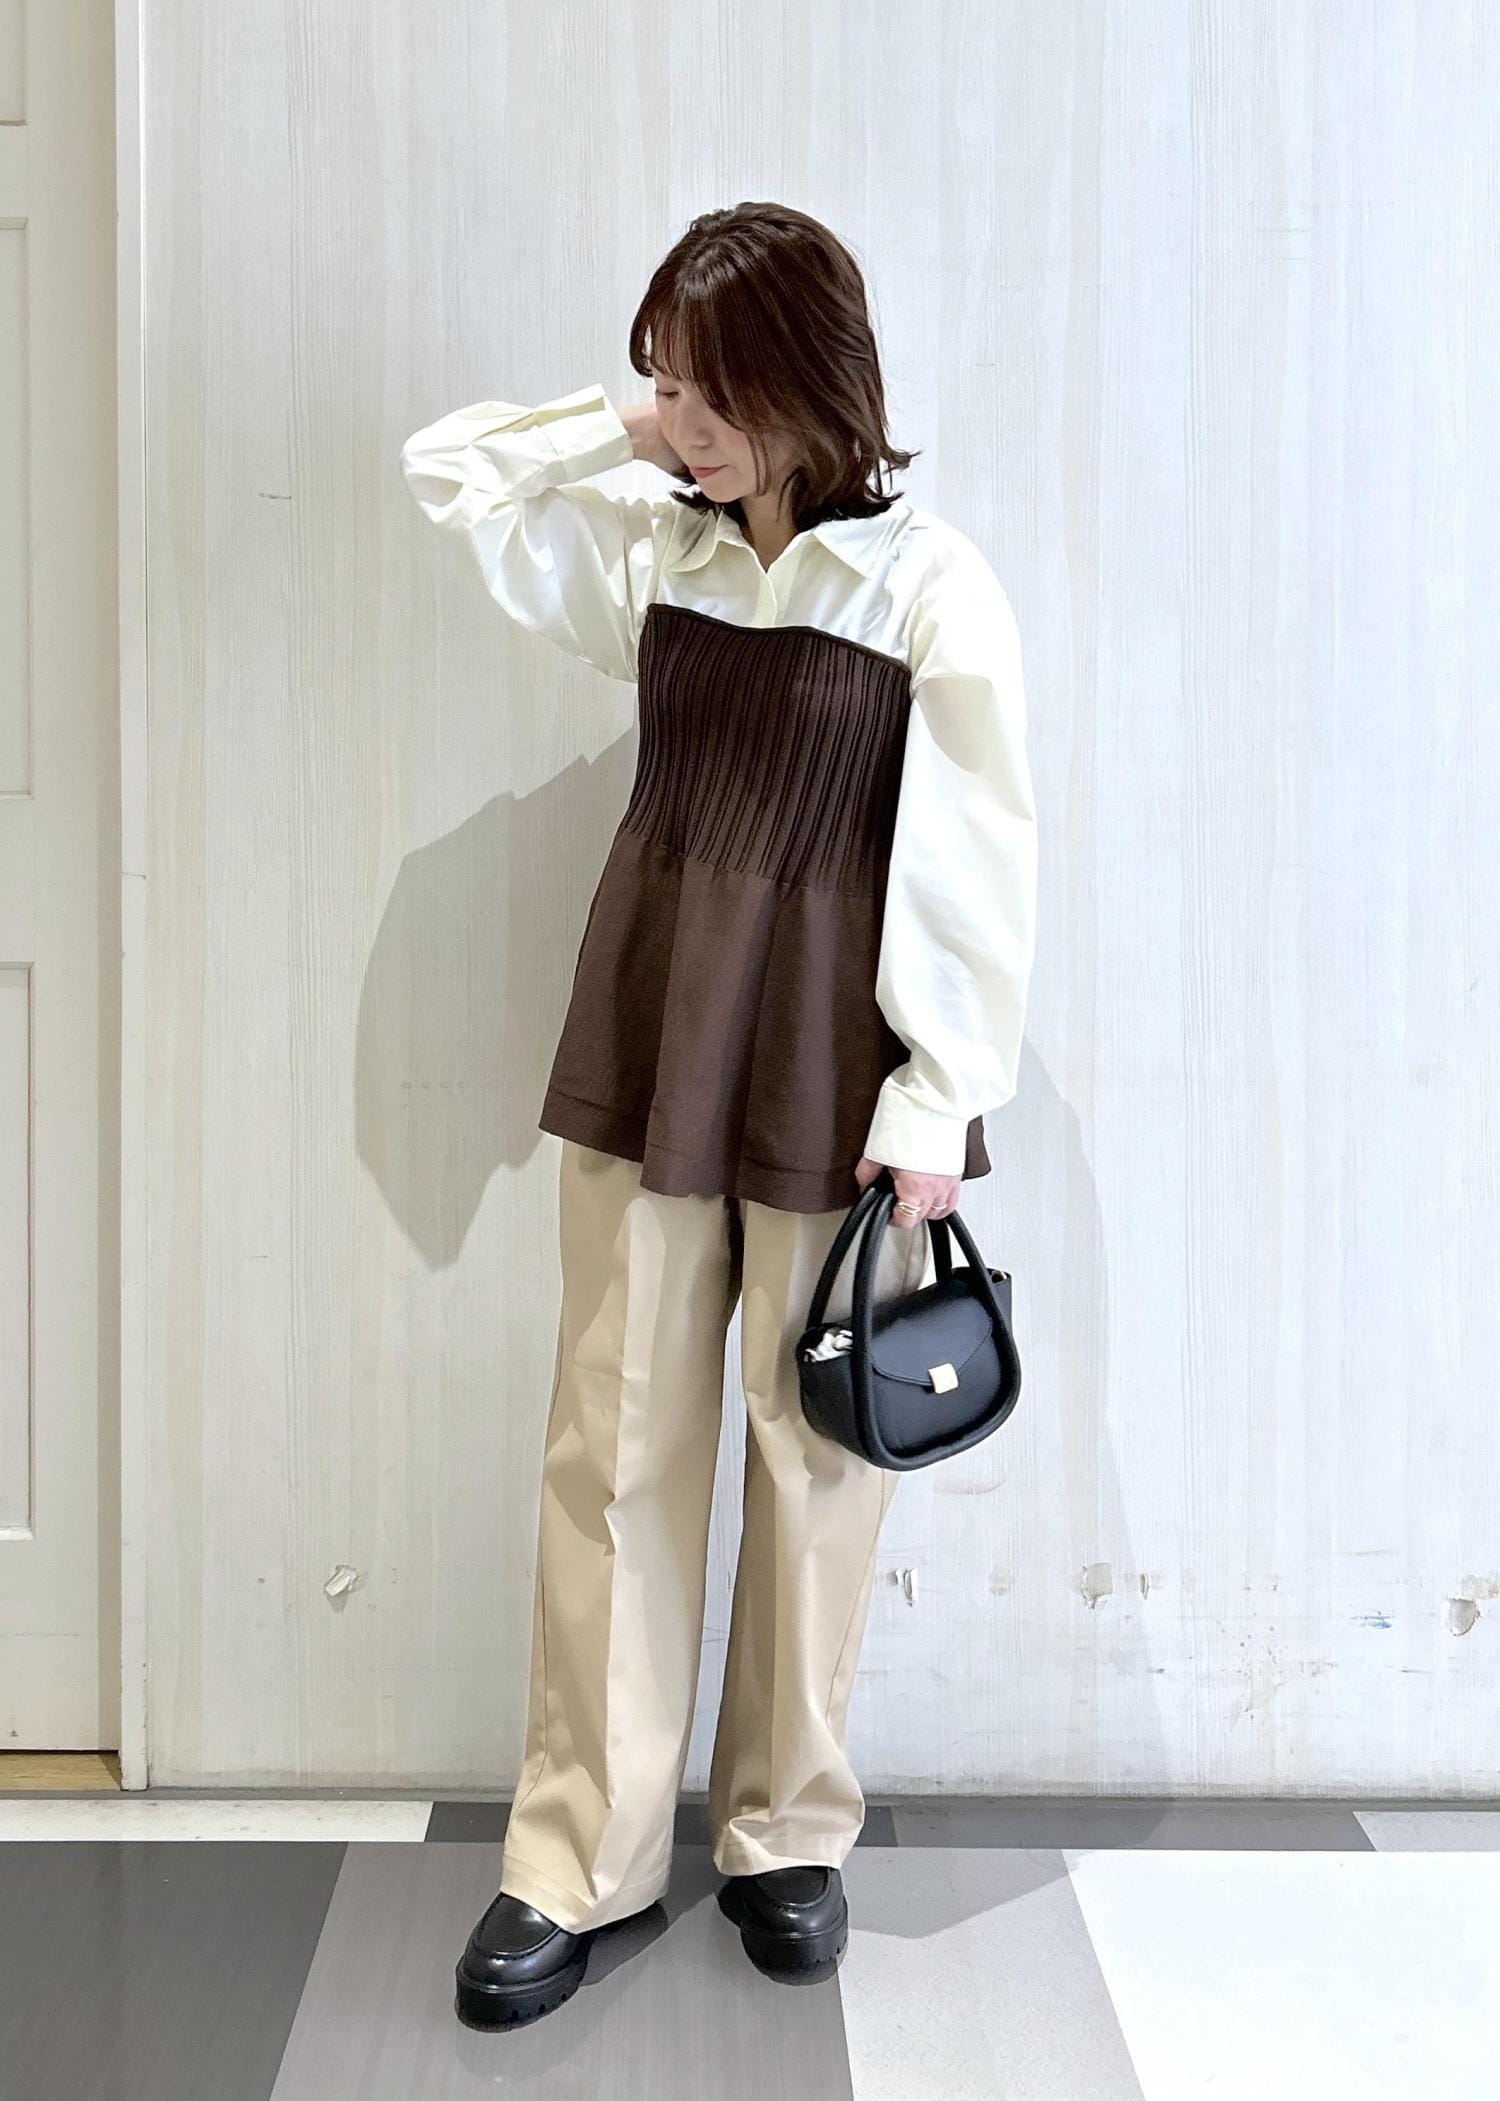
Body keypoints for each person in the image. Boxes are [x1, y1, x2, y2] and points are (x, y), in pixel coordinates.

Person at [399, 200, 1038, 2031]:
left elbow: (979, 850)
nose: (684, 422)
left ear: (815, 382)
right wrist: (628, 423)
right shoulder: (652, 549)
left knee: (812, 1456)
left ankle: (785, 1836)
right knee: (612, 1443)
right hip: (656, 1025)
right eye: (667, 381)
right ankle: (574, 1858)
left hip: (838, 1063)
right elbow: (451, 477)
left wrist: (942, 1095)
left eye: (715, 387)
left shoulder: (928, 584)